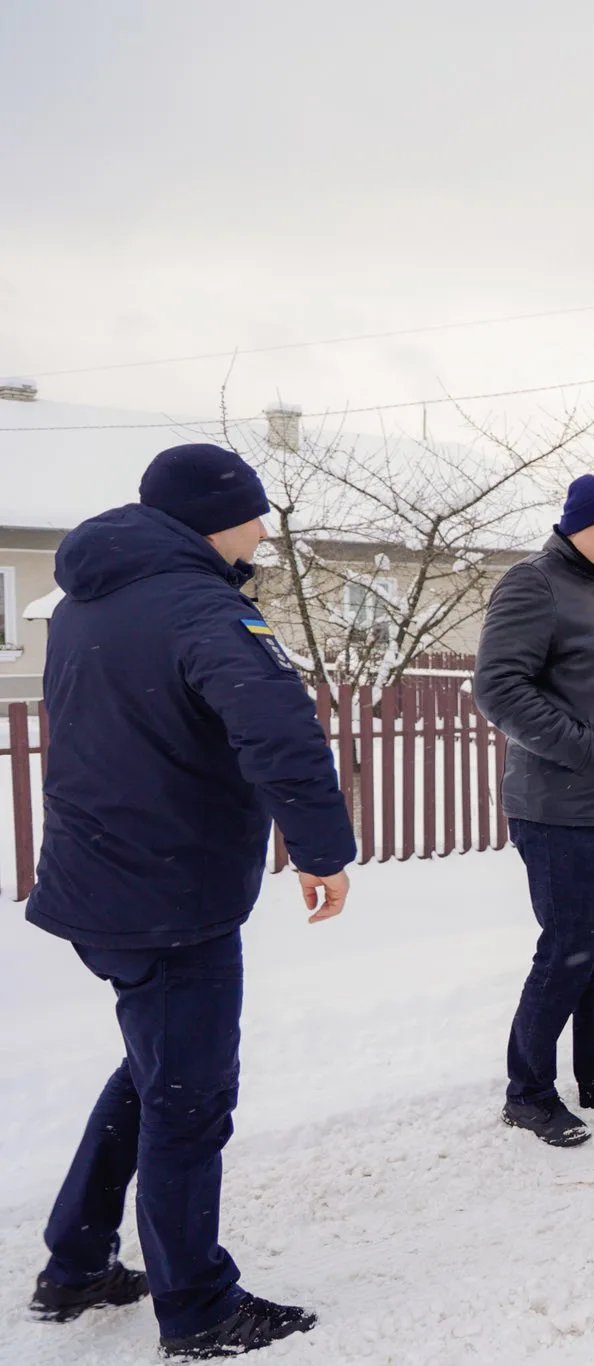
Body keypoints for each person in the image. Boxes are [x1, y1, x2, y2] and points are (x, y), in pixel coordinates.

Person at [24, 443, 356, 1358]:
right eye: (256, 516)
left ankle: (78, 1264)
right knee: (188, 1098)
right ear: (220, 516)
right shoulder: (199, 605)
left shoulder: (93, 600)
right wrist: (322, 851)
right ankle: (201, 1309)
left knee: (153, 1069)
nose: (263, 534)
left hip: (105, 881)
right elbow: (279, 727)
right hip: (167, 893)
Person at [475, 474, 594, 1147]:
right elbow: (499, 686)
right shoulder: (532, 583)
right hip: (560, 808)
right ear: (575, 525)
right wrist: (585, 749)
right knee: (568, 949)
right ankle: (527, 1093)